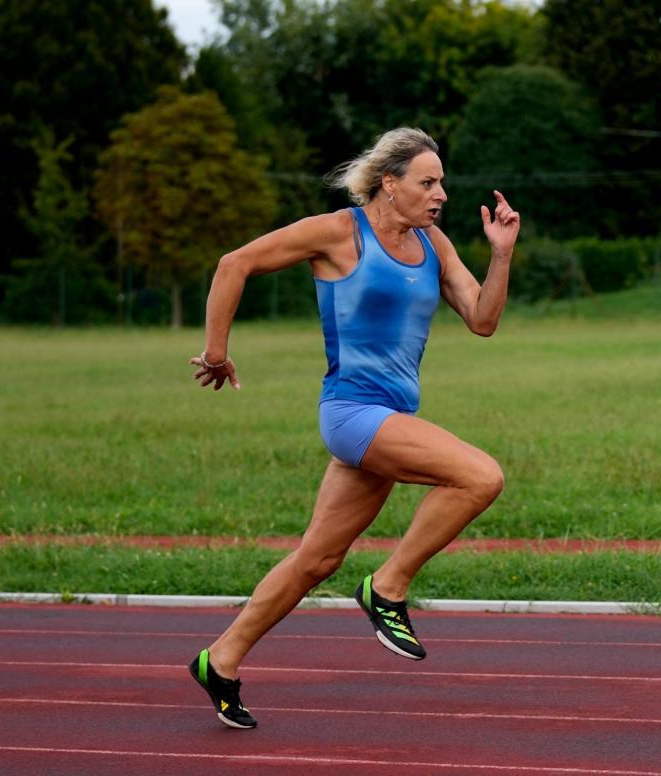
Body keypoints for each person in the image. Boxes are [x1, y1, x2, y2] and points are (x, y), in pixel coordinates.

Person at [187, 127, 520, 729]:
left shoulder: (434, 244)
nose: (439, 192)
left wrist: (500, 254)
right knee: (480, 476)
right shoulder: (340, 232)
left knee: (317, 559)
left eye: (441, 181)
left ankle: (222, 659)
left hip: (391, 420)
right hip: (351, 412)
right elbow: (234, 264)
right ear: (389, 184)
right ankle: (387, 587)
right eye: (427, 181)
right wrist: (216, 352)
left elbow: (483, 318)